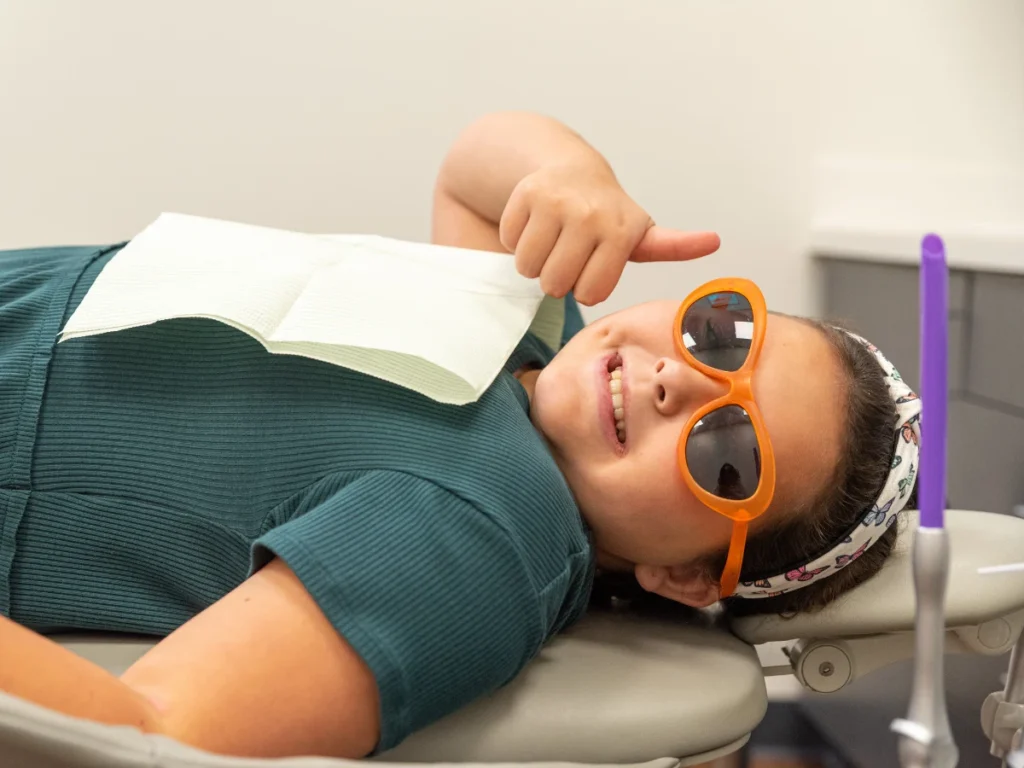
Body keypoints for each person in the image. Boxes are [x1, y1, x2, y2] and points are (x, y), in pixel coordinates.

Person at [0, 112, 920, 760]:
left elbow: (147, 732)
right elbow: (476, 169)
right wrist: (573, 173)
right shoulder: (519, 339)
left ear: (683, 575)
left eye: (729, 454)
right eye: (721, 333)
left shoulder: (484, 535)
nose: (679, 376)